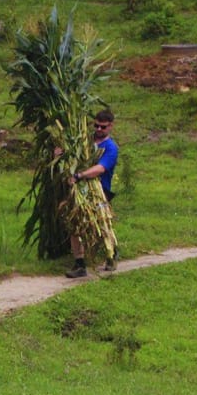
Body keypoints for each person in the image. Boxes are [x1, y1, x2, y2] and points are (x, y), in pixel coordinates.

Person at [65, 109, 120, 278]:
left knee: (102, 225)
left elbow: (100, 168)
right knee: (75, 225)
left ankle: (111, 255)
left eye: (102, 127)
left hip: (99, 191)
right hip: (80, 190)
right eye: (95, 125)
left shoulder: (110, 148)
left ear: (110, 126)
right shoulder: (84, 140)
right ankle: (79, 264)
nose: (98, 129)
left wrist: (80, 175)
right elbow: (72, 155)